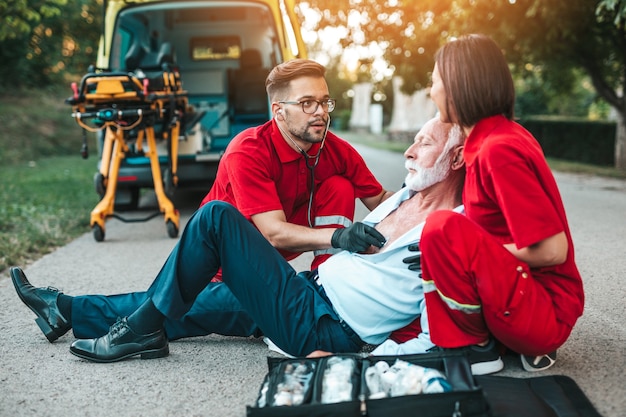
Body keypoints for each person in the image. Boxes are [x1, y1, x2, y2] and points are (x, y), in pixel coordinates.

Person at [12, 118, 489, 370]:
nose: (407, 151)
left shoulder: (453, 230)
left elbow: (442, 325)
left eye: (422, 143)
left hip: (325, 328)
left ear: (458, 156)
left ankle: (138, 332)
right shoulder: (404, 197)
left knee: (216, 219)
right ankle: (66, 311)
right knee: (191, 303)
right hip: (307, 293)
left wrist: (360, 358)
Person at [417, 34, 584, 374]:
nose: (430, 91)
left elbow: (554, 251)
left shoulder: (499, 150)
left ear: (457, 87)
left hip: (544, 313)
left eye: (434, 82)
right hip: (525, 297)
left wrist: (469, 251)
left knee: (441, 229)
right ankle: (495, 338)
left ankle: (477, 350)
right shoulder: (491, 140)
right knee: (443, 234)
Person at [199, 58, 393, 273]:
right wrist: (339, 236)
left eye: (324, 101)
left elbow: (380, 200)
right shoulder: (248, 150)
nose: (320, 111)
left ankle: (327, 278)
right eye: (307, 103)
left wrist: (423, 200)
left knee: (340, 186)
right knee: (278, 302)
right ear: (278, 111)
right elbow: (274, 233)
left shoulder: (336, 150)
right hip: (224, 268)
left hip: (272, 258)